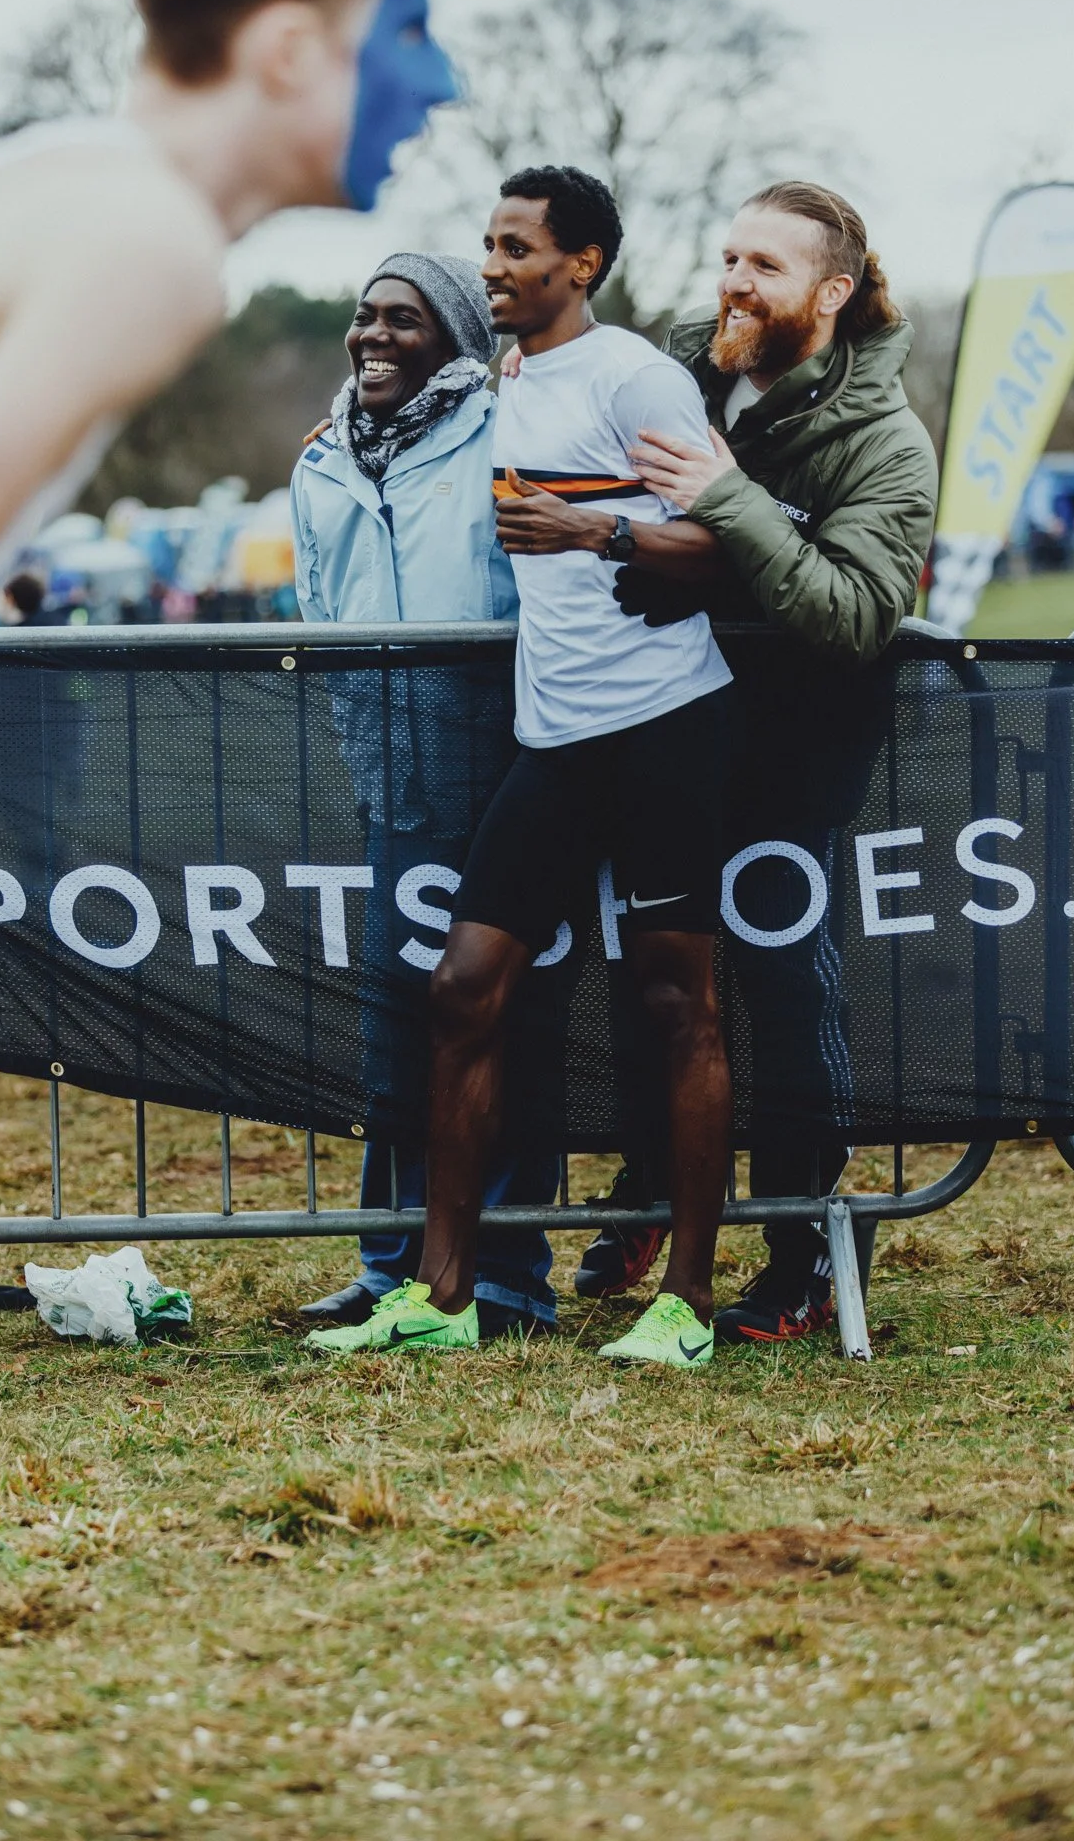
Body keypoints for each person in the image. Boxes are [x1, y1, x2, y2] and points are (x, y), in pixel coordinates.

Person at [0, 0, 454, 1828]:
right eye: (406, 35)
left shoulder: (88, 196)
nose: (439, 93)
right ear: (278, 44)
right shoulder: (148, 240)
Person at [494, 180, 938, 1344]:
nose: (733, 282)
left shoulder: (881, 439)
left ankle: (803, 1254)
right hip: (664, 729)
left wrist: (730, 504)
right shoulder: (676, 377)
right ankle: (650, 1199)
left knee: (787, 989)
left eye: (766, 268)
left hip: (795, 751)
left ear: (832, 293)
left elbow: (853, 613)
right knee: (650, 984)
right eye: (728, 255)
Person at [309, 164, 736, 1367]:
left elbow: (729, 541)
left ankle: (687, 1305)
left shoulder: (635, 376)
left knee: (674, 1005)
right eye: (487, 246)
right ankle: (440, 1294)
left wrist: (591, 527)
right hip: (553, 739)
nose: (490, 266)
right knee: (462, 990)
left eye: (514, 248)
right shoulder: (506, 379)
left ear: (581, 265)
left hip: (662, 723)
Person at [290, 253, 558, 1338]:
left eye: (403, 319)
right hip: (389, 783)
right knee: (393, 1027)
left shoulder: (505, 433)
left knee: (502, 1018)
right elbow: (315, 606)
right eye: (363, 317)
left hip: (505, 770)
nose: (373, 336)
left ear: (451, 336)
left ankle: (504, 1267)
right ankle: (388, 1255)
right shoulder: (319, 460)